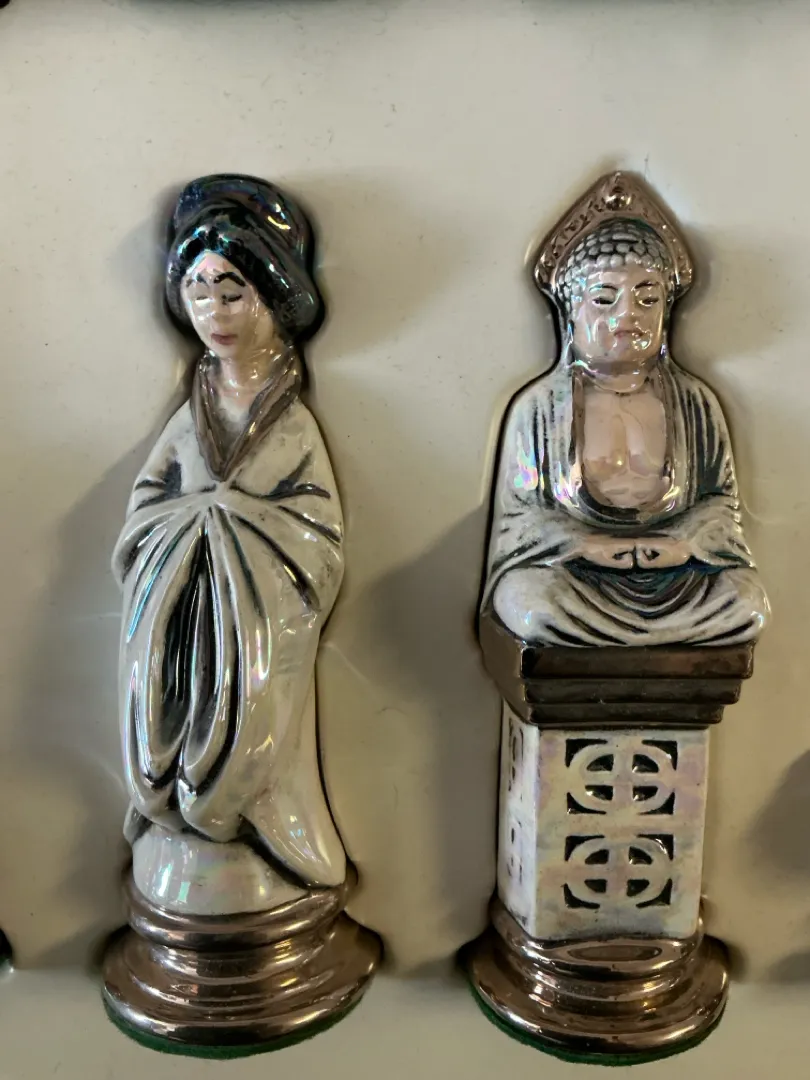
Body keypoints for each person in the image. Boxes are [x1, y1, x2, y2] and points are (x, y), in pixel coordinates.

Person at [113, 174, 346, 907]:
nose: (214, 311)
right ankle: (166, 795)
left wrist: (244, 526)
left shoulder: (292, 421)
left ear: (273, 296)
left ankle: (249, 803)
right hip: (181, 611)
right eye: (199, 290)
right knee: (162, 691)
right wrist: (188, 525)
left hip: (256, 621)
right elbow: (146, 504)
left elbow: (320, 534)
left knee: (257, 703)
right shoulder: (194, 410)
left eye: (233, 291)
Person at [483, 216, 769, 647]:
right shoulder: (540, 408)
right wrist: (585, 545)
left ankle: (652, 643)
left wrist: (683, 544)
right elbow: (521, 517)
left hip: (678, 575)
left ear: (666, 313)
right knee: (532, 605)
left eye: (648, 299)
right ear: (571, 313)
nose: (627, 314)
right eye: (604, 299)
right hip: (578, 576)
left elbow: (720, 505)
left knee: (747, 602)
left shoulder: (695, 404)